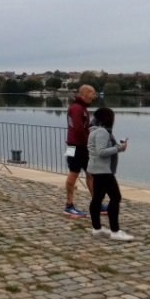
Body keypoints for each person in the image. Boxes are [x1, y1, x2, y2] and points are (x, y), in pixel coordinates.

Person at [88, 107, 133, 241]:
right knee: (116, 197)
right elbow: (101, 151)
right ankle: (115, 231)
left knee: (97, 197)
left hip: (96, 169)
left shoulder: (94, 130)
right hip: (103, 170)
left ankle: (97, 228)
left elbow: (100, 150)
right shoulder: (102, 131)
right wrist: (119, 147)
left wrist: (119, 148)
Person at [63, 85, 102, 217]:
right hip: (75, 146)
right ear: (85, 93)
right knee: (73, 173)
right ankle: (69, 205)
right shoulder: (77, 108)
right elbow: (78, 129)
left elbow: (83, 128)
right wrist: (89, 144)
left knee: (90, 174)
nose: (94, 96)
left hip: (81, 146)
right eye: (93, 93)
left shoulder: (82, 107)